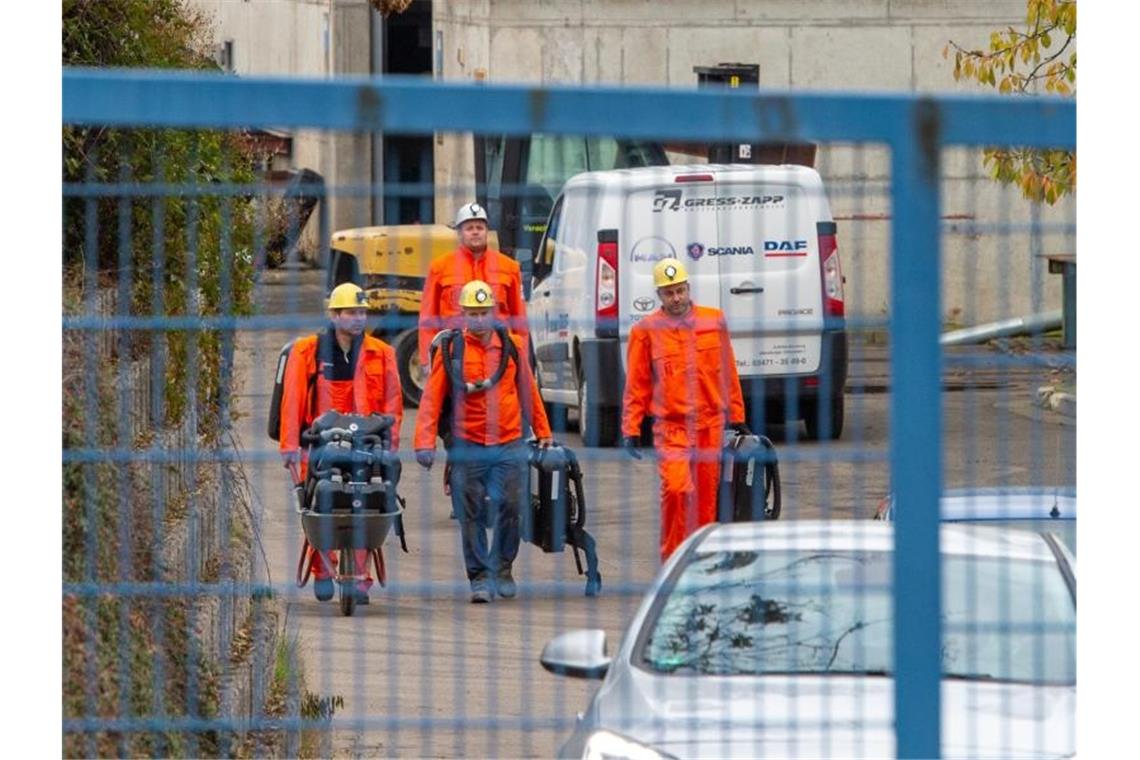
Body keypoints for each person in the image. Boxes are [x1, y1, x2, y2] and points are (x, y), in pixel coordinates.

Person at [414, 280, 553, 603]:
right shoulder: (451, 350)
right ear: (463, 314)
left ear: (494, 311)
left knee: (512, 505)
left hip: (508, 442)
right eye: (472, 313)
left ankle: (502, 567)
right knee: (470, 512)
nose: (479, 319)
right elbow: (433, 398)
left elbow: (528, 392)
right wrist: (424, 442)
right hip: (468, 444)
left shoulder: (512, 347)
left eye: (484, 312)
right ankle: (478, 576)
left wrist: (543, 431)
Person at [278, 282, 403, 604]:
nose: (358, 318)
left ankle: (358, 577)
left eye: (362, 312)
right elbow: (291, 401)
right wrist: (289, 445)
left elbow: (393, 404)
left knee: (365, 504)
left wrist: (391, 443)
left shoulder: (382, 353)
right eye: (350, 312)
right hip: (318, 446)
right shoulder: (307, 351)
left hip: (365, 443)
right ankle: (322, 568)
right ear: (334, 315)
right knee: (321, 504)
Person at [620, 258, 750, 562]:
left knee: (705, 500)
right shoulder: (646, 331)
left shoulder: (713, 320)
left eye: (679, 291)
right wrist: (630, 427)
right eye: (669, 293)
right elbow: (637, 384)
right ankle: (672, 559)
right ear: (659, 295)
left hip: (709, 424)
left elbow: (728, 370)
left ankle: (701, 561)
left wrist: (738, 414)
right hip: (671, 427)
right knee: (677, 490)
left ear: (688, 288)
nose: (676, 298)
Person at [417, 202, 530, 376]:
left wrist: (522, 356)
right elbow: (428, 318)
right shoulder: (440, 268)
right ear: (460, 233)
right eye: (469, 228)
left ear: (487, 231)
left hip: (500, 354)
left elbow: (519, 318)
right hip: (455, 356)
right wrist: (427, 359)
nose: (475, 231)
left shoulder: (509, 267)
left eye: (480, 227)